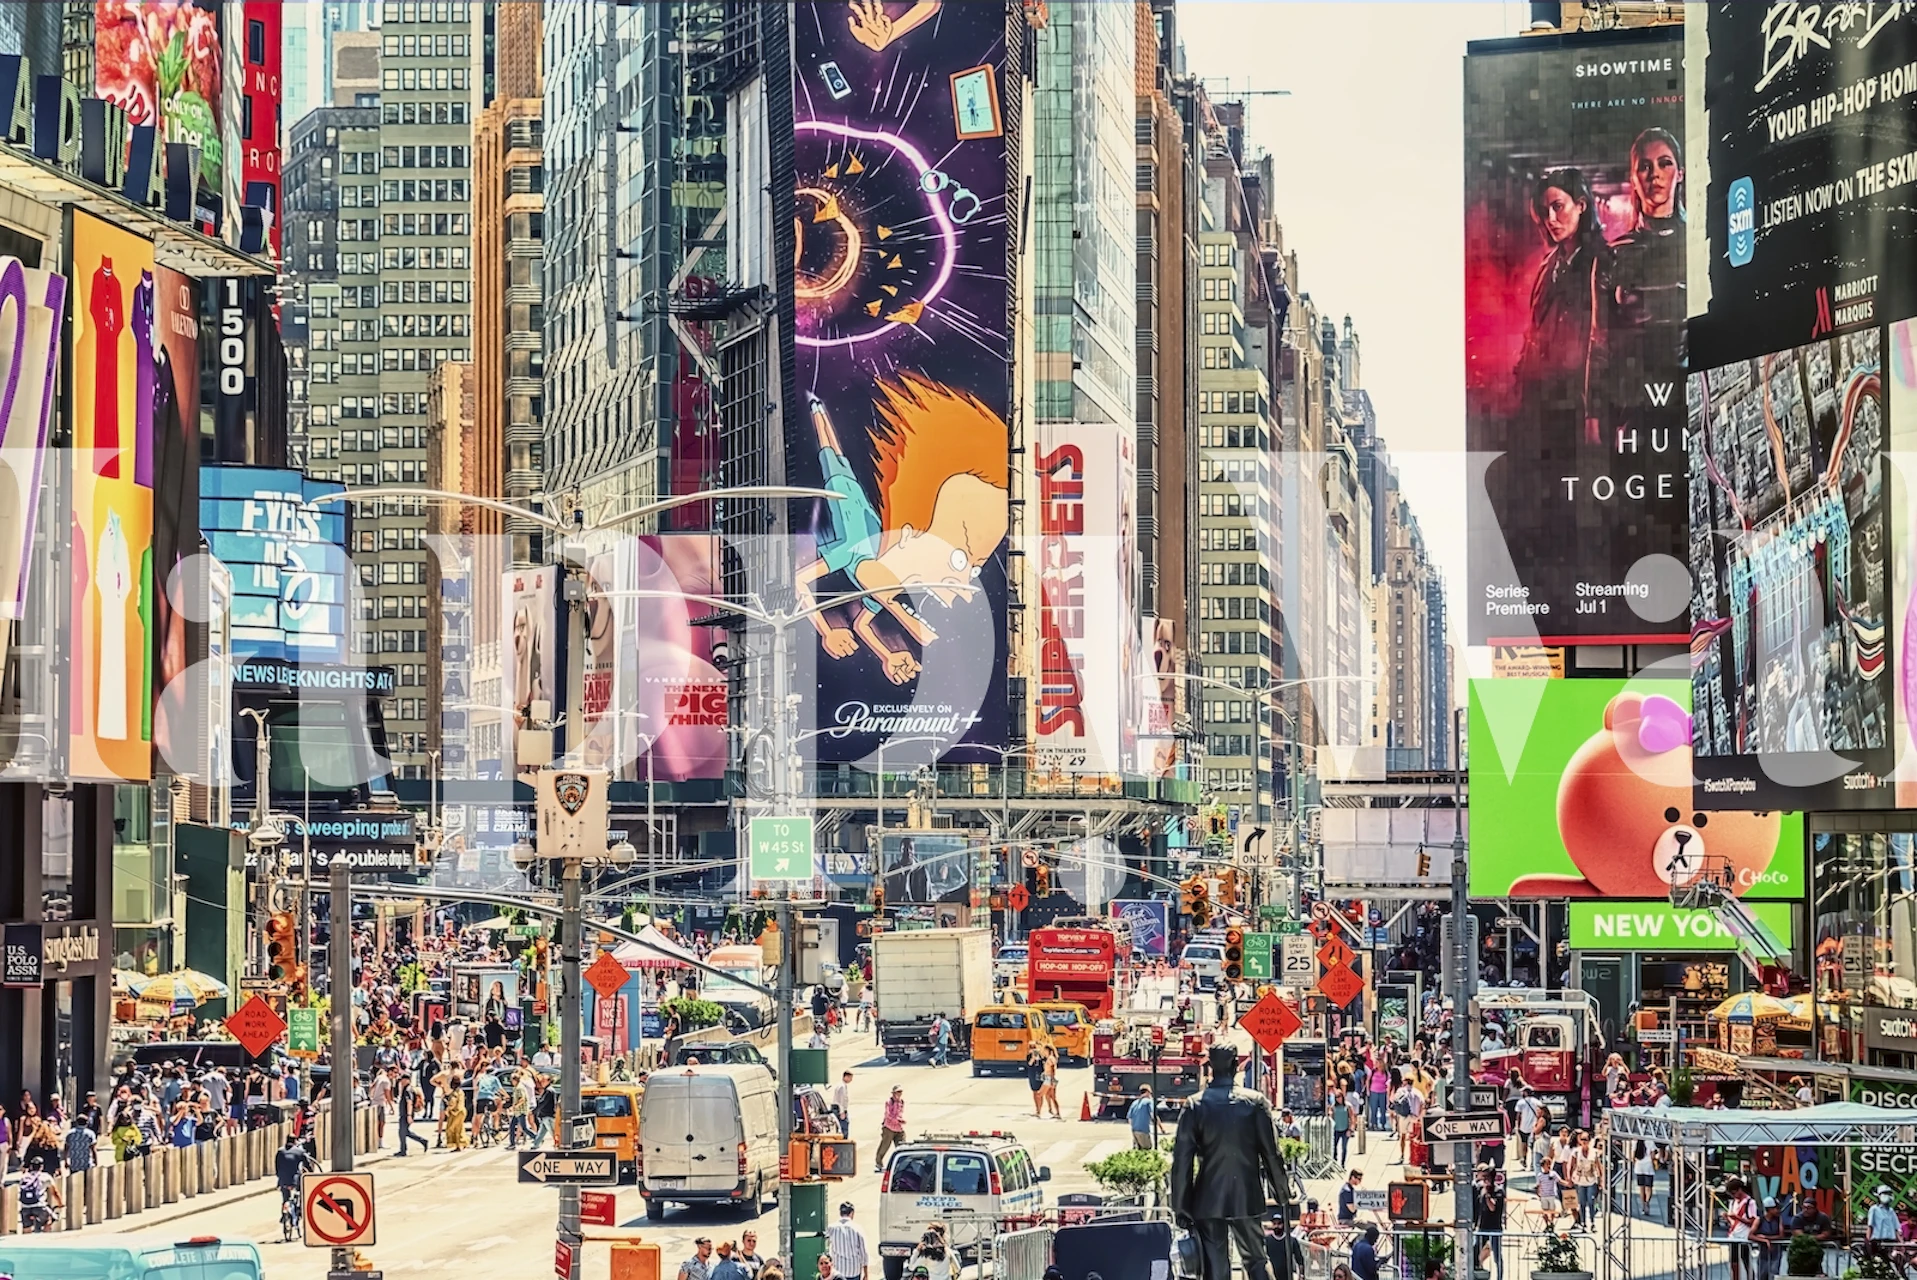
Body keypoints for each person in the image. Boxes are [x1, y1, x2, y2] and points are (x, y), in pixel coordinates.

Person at [1513, 166, 1615, 446]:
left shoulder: (1603, 262)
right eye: (1545, 211)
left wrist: (1593, 415)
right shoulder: (1547, 267)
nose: (1551, 219)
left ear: (1581, 205)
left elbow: (1605, 344)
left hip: (1579, 407)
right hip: (1541, 405)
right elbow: (1534, 332)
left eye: (1558, 207)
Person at [1168, 1044, 1287, 1280]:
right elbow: (1272, 1154)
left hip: (1208, 1198)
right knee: (1257, 1260)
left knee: (1216, 1268)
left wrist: (1180, 1204)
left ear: (1210, 1067)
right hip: (1247, 1194)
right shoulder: (1255, 1103)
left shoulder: (1195, 1105)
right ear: (1236, 1066)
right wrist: (1282, 1192)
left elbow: (1182, 1160)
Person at [1474, 1166, 1506, 1280]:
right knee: (1475, 1250)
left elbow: (1493, 1208)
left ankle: (1499, 1277)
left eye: (1486, 1177)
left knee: (1497, 1256)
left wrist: (1487, 1195)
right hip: (1482, 1227)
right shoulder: (1480, 1190)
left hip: (1495, 1228)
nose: (1485, 1180)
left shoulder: (1499, 1191)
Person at [275, 1132, 316, 1216]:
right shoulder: (299, 1151)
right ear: (295, 1141)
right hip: (295, 1180)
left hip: (283, 1179)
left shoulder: (280, 1151)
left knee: (285, 1197)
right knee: (301, 1192)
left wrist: (279, 1176)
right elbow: (307, 1165)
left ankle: (284, 1214)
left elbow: (277, 1166)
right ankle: (300, 1210)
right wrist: (311, 1173)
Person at [827, 1202, 871, 1280]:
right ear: (852, 1213)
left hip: (838, 1272)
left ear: (840, 1213)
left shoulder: (831, 1228)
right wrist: (866, 1274)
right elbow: (864, 1253)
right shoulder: (858, 1228)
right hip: (854, 1272)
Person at [1725, 1177, 1758, 1280]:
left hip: (1744, 1238)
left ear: (1740, 1189)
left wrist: (1737, 1217)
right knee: (1734, 1264)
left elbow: (1753, 1222)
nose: (1734, 1196)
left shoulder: (1750, 1203)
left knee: (1747, 1263)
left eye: (1734, 1193)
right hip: (1733, 1237)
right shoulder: (1732, 1203)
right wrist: (1727, 1218)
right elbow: (1733, 1223)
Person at [18, 1156, 60, 1232]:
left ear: (31, 1166)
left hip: (25, 1207)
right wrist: (60, 1203)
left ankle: (25, 1239)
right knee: (51, 1218)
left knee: (26, 1228)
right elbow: (55, 1193)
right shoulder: (45, 1176)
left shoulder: (24, 1177)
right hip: (39, 1206)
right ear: (41, 1167)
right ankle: (45, 1236)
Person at [1570, 1131, 1602, 1227]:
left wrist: (1601, 1180)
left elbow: (1599, 1166)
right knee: (1582, 1203)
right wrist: (1570, 1177)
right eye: (1582, 1139)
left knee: (1591, 1201)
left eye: (1586, 1139)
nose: (1584, 1141)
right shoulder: (1576, 1151)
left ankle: (1592, 1222)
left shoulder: (1594, 1152)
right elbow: (1571, 1165)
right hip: (1580, 1180)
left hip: (1591, 1179)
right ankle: (1583, 1222)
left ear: (1589, 1141)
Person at [1754, 1198, 1788, 1280]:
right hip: (1763, 1254)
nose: (1778, 1210)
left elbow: (1781, 1235)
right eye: (1776, 1208)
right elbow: (1750, 1235)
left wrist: (1767, 1238)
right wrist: (1764, 1240)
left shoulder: (1779, 1219)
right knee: (1762, 1275)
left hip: (1776, 1253)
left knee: (1773, 1275)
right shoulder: (1759, 1220)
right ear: (1769, 1209)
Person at [875, 1086, 905, 1172]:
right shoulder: (889, 1102)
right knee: (885, 1145)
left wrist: (900, 1120)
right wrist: (896, 1120)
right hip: (889, 1127)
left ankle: (901, 1164)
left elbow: (900, 1113)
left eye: (900, 1092)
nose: (899, 1094)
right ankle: (879, 1163)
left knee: (902, 1145)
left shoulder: (902, 1102)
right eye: (897, 1092)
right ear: (894, 1093)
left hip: (899, 1128)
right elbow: (888, 1115)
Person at [1869, 1186, 1902, 1256]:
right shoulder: (1874, 1209)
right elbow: (1870, 1226)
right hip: (1877, 1240)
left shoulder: (1891, 1211)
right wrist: (1867, 1240)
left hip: (1890, 1241)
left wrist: (1901, 1243)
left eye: (1889, 1194)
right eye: (1885, 1193)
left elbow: (1896, 1227)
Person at [1633, 1139, 1656, 1215]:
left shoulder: (1635, 1142)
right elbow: (1653, 1155)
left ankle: (1643, 1204)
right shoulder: (1650, 1141)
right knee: (1649, 1187)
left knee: (1641, 1188)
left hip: (1639, 1166)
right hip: (1648, 1166)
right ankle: (1647, 1202)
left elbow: (1633, 1155)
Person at [1330, 1086, 1352, 1165]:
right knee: (1334, 1146)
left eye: (1339, 1097)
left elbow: (1351, 1118)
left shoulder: (1347, 1106)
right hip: (1336, 1130)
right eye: (1336, 1097)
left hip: (1345, 1129)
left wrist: (1350, 1129)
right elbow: (1331, 1118)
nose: (1338, 1099)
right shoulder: (1333, 1107)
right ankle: (1334, 1160)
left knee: (1344, 1148)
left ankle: (1343, 1163)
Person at [832, 1070, 854, 1138]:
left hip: (837, 1109)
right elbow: (841, 1100)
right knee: (843, 1127)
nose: (851, 1080)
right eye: (850, 1078)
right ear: (846, 1077)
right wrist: (842, 1112)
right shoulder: (842, 1087)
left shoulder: (841, 1085)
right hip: (840, 1110)